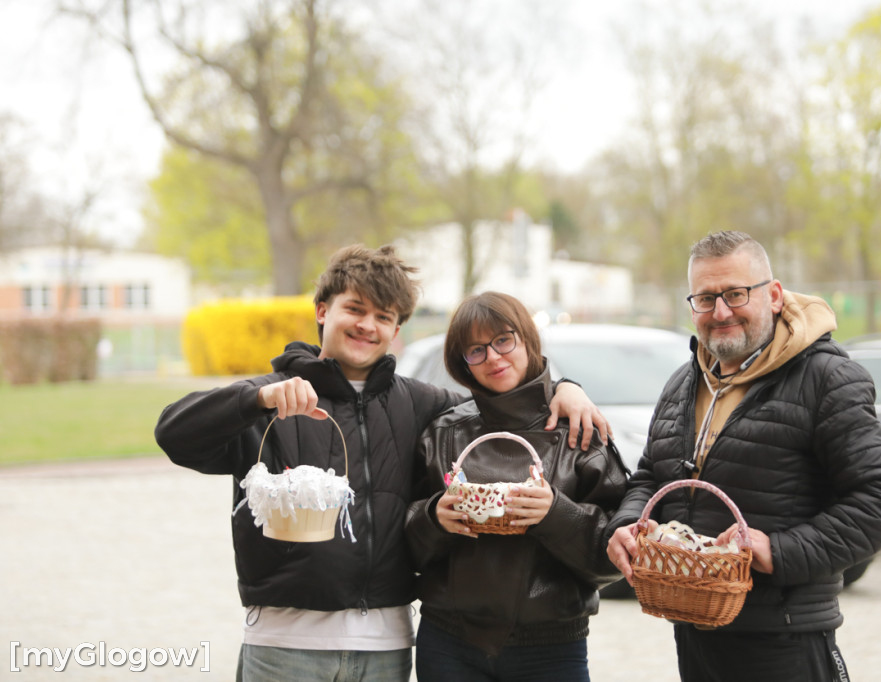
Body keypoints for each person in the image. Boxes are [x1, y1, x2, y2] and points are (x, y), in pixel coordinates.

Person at [154, 245, 609, 682]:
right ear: (322, 310)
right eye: (355, 309)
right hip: (283, 646)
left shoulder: (423, 405)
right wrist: (255, 398)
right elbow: (173, 435)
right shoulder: (273, 397)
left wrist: (564, 388)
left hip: (387, 649)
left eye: (383, 316)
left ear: (396, 332)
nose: (367, 325)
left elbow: (501, 404)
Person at [605, 231, 881, 682]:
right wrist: (626, 525)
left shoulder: (827, 378)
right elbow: (651, 474)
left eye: (735, 294)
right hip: (695, 632)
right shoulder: (683, 383)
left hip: (783, 639)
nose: (720, 311)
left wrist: (778, 551)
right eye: (705, 298)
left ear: (775, 295)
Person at [406, 291, 629, 682]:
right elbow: (402, 542)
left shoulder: (579, 430)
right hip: (449, 643)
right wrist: (431, 518)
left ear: (526, 338)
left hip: (552, 647)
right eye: (475, 350)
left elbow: (615, 556)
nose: (493, 357)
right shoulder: (444, 433)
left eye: (503, 340)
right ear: (463, 364)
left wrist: (556, 513)